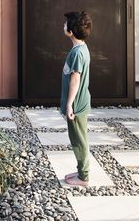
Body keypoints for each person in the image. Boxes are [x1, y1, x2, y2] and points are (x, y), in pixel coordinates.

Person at [60, 10, 92, 187]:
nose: (63, 26)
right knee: (80, 138)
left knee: (79, 141)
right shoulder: (81, 48)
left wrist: (69, 105)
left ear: (71, 31)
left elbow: (75, 78)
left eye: (66, 24)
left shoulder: (77, 53)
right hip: (80, 102)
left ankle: (83, 177)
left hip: (77, 105)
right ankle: (81, 171)